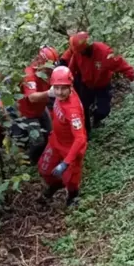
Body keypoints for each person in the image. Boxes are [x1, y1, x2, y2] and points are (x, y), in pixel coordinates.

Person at [59, 32, 134, 138]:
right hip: (86, 85)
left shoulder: (104, 52)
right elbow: (72, 69)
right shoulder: (77, 53)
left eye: (81, 51)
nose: (79, 53)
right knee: (83, 108)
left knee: (103, 111)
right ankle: (86, 133)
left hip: (102, 86)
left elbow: (121, 64)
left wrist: (132, 79)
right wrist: (66, 82)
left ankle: (96, 119)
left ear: (87, 46)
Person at [37, 66, 87, 207]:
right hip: (56, 141)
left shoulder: (73, 110)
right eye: (56, 88)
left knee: (70, 180)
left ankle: (72, 197)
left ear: (70, 86)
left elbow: (80, 138)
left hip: (70, 149)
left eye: (63, 88)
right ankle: (54, 187)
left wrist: (66, 162)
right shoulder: (59, 94)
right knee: (44, 169)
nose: (59, 92)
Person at [8, 46, 58, 165]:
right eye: (48, 67)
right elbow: (32, 97)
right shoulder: (29, 74)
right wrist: (50, 93)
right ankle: (32, 161)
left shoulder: (49, 71)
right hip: (27, 113)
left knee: (50, 134)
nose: (50, 70)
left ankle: (44, 158)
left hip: (41, 108)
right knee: (38, 142)